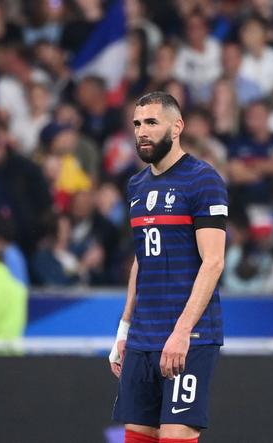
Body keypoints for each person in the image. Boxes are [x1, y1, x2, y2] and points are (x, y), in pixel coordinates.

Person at [109, 92, 227, 443]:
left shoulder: (202, 179)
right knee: (137, 435)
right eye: (137, 124)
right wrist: (124, 327)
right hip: (144, 335)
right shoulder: (136, 185)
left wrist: (181, 331)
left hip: (188, 336)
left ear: (177, 127)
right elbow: (140, 262)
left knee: (175, 434)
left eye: (151, 122)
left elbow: (214, 260)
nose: (141, 131)